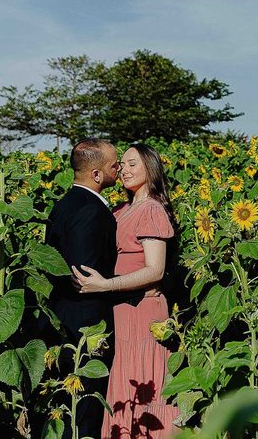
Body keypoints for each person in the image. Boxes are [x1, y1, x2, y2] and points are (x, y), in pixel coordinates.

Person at [72, 143, 180, 439]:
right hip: (121, 310)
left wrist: (105, 285)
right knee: (124, 384)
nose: (124, 170)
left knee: (144, 384)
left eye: (133, 164)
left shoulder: (152, 210)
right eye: (122, 165)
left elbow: (155, 270)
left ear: (150, 169)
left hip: (144, 311)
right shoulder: (120, 210)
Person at [43, 138, 121, 439]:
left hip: (63, 315)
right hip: (86, 323)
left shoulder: (64, 204)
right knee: (85, 408)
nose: (119, 170)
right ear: (97, 174)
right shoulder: (92, 210)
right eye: (114, 165)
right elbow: (85, 275)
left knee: (67, 407)